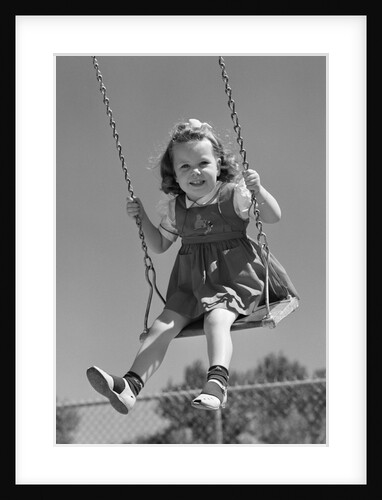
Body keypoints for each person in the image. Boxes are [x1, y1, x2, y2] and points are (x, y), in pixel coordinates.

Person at [86, 119, 298, 414]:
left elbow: (273, 216)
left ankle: (217, 382)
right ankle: (129, 387)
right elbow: (160, 245)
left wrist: (259, 190)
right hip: (191, 285)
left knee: (216, 319)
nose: (195, 171)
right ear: (174, 174)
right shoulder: (176, 209)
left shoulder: (234, 194)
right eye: (184, 166)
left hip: (234, 278)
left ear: (218, 164)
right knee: (161, 327)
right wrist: (142, 217)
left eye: (203, 162)